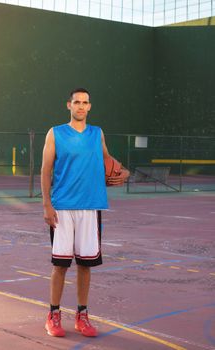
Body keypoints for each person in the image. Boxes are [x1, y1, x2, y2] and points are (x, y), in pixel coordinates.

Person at [41, 88, 129, 337]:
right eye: (76, 102)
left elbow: (107, 161)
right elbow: (46, 170)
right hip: (62, 207)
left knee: (85, 265)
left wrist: (124, 172)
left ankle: (82, 316)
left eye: (85, 102)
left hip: (91, 206)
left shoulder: (97, 133)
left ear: (90, 107)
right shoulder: (55, 133)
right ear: (68, 105)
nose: (81, 106)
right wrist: (47, 204)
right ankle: (53, 315)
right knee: (60, 265)